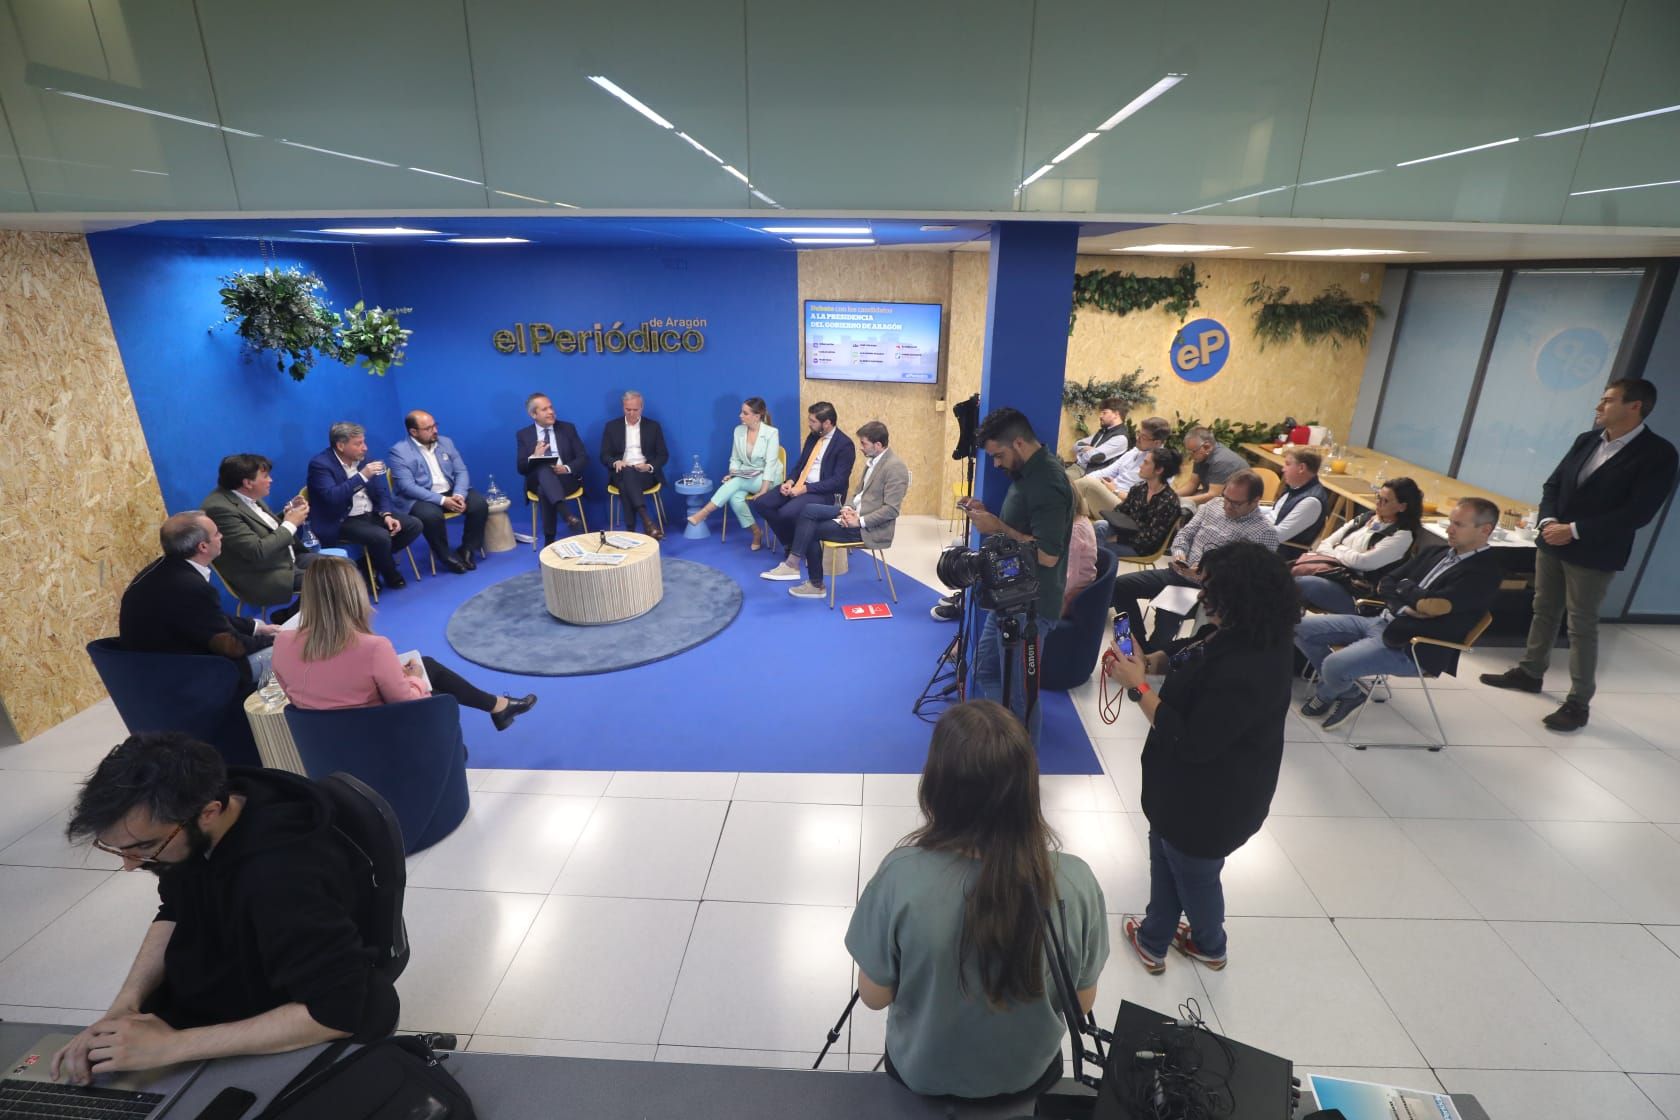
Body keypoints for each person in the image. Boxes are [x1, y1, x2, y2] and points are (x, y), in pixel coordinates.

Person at [51, 732, 397, 1084]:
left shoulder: (280, 880)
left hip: (280, 1020)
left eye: (143, 847)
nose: (129, 865)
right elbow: (175, 909)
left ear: (209, 813)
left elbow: (337, 1011)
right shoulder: (207, 803)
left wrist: (169, 1047)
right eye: (119, 850)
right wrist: (124, 1007)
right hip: (212, 993)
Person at [846, 700, 1108, 1100]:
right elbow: (1083, 1001)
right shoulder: (1075, 881)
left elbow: (873, 997)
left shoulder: (900, 876)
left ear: (935, 786)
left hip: (923, 1073)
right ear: (1027, 789)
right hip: (1029, 1076)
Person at [1101, 542, 1296, 975]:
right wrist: (1150, 661)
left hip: (1212, 804)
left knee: (1193, 876)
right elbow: (1196, 650)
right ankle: (1155, 937)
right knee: (1168, 860)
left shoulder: (1252, 668)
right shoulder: (1247, 633)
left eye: (1211, 591)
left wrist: (1139, 688)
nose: (1203, 598)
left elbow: (1190, 741)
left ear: (1239, 597)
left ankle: (1210, 944)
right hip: (1183, 794)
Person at [1481, 378, 1678, 732]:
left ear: (1635, 406)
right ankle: (1530, 672)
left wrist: (1574, 530)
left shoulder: (1659, 454)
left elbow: (1638, 513)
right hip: (1552, 540)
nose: (1598, 407)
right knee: (1543, 609)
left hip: (1594, 550)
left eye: (1607, 400)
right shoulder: (1587, 440)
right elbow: (1553, 485)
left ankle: (1578, 702)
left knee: (1580, 624)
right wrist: (1549, 520)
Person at [1297, 497, 1502, 731]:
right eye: (1450, 522)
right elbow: (1387, 582)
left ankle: (1334, 690)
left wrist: (1405, 588)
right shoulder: (1436, 552)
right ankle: (1347, 692)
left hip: (1413, 644)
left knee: (1334, 665)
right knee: (1295, 627)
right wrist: (1405, 603)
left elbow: (1434, 606)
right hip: (1383, 620)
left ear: (1485, 530)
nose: (1449, 529)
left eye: (1459, 525)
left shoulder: (1484, 573)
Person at [272, 557, 535, 731]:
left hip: (322, 739)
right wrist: (415, 679)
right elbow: (405, 701)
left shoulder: (282, 642)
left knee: (428, 665)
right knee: (426, 674)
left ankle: (498, 706)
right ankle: (497, 706)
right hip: (379, 735)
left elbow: (293, 694)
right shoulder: (373, 647)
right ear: (354, 594)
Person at [957, 408, 1073, 744]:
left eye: (998, 455)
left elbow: (1049, 555)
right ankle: (1004, 744)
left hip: (1032, 607)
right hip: (1012, 598)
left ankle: (1022, 769)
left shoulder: (1047, 482)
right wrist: (987, 514)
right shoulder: (1028, 474)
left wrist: (997, 528)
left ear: (1019, 443)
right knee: (987, 668)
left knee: (1022, 694)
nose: (995, 465)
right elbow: (1023, 528)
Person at [1111, 470, 1279, 652]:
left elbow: (1249, 580)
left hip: (1210, 591)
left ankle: (1153, 654)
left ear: (1255, 501)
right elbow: (1186, 533)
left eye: (1236, 503)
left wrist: (1206, 575)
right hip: (1179, 573)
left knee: (1167, 611)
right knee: (1119, 586)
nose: (1227, 506)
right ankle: (1133, 646)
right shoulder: (1214, 505)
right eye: (1226, 498)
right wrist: (1179, 553)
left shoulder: (1265, 533)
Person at [119, 512, 277, 684]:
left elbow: (205, 620)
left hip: (154, 671)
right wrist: (275, 639)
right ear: (203, 547)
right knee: (296, 651)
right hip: (189, 678)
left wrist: (256, 628)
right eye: (216, 534)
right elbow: (232, 647)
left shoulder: (161, 571)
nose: (221, 536)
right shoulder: (190, 587)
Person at [768, 421, 909, 598]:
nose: (861, 448)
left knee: (810, 530)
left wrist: (858, 521)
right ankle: (794, 566)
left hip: (869, 528)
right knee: (808, 510)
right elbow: (858, 492)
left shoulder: (895, 468)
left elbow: (891, 510)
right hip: (854, 514)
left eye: (864, 443)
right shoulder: (872, 462)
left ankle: (813, 583)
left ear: (878, 445)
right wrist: (848, 508)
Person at [306, 422, 422, 592]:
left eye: (364, 442)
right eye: (358, 444)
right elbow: (332, 497)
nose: (365, 448)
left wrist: (387, 514)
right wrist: (362, 476)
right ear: (340, 445)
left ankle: (369, 566)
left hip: (370, 512)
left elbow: (381, 491)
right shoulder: (320, 465)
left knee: (413, 525)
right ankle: (391, 574)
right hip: (341, 519)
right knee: (381, 537)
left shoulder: (363, 459)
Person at [201, 453, 315, 619]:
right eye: (266, 476)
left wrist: (288, 514)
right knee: (332, 580)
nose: (271, 480)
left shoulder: (243, 494)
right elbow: (257, 550)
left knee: (344, 567)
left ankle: (289, 616)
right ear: (248, 483)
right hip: (262, 573)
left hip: (285, 557)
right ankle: (310, 628)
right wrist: (291, 523)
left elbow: (261, 526)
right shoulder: (219, 508)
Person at [1293, 477, 1423, 614]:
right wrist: (1347, 553)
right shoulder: (1366, 518)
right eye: (1378, 497)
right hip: (1334, 575)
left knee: (1299, 583)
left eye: (1385, 501)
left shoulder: (1402, 536)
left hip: (1358, 592)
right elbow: (1324, 545)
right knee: (1284, 578)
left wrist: (1337, 547)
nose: (1378, 503)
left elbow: (1362, 562)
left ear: (1402, 507)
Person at [388, 410, 487, 574]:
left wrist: (459, 494)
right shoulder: (399, 452)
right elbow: (407, 487)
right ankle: (445, 555)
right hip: (420, 497)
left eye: (435, 425)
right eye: (428, 428)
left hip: (451, 491)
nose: (435, 431)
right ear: (413, 432)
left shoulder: (446, 442)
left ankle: (468, 548)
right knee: (431, 516)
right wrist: (442, 501)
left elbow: (461, 471)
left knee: (479, 505)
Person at [754, 401, 856, 556]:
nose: (809, 424)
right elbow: (801, 464)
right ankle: (791, 542)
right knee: (762, 503)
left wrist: (805, 489)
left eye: (813, 421)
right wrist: (789, 482)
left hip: (824, 494)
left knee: (786, 512)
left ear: (827, 423)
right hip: (801, 485)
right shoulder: (813, 437)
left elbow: (838, 481)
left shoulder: (845, 445)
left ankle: (796, 548)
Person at [686, 397, 784, 548]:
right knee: (735, 498)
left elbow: (771, 464)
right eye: (741, 412)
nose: (740, 415)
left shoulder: (771, 433)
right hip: (747, 476)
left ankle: (703, 513)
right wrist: (733, 472)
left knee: (736, 482)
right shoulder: (738, 431)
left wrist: (764, 490)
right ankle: (756, 532)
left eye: (745, 413)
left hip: (769, 479)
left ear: (757, 416)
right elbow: (735, 458)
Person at [516, 392, 588, 544]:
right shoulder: (524, 434)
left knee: (544, 489)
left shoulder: (567, 428)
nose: (551, 412)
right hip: (537, 480)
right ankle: (568, 515)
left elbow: (583, 457)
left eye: (551, 407)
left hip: (566, 479)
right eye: (544, 409)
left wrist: (566, 468)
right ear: (533, 414)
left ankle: (549, 540)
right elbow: (521, 468)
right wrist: (535, 456)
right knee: (543, 469)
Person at [600, 390, 670, 539]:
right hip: (620, 471)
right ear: (622, 408)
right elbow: (604, 455)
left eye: (635, 410)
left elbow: (663, 455)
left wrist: (649, 466)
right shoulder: (611, 427)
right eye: (628, 409)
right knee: (627, 473)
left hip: (645, 474)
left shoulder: (653, 426)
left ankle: (631, 531)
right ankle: (647, 522)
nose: (631, 413)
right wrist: (615, 462)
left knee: (627, 484)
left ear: (642, 408)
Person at [1072, 415, 1169, 520]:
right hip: (1109, 494)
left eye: (1143, 437)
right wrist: (1087, 478)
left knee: (1086, 486)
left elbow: (1148, 502)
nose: (1138, 438)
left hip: (1125, 507)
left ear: (1157, 443)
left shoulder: (1162, 465)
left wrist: (1116, 491)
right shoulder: (1134, 451)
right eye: (1138, 433)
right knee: (1077, 500)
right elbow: (1107, 471)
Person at [1099, 445, 1184, 559]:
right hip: (1126, 534)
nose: (1141, 466)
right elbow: (1120, 511)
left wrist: (1116, 539)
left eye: (1146, 463)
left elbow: (1150, 540)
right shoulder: (1139, 488)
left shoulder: (1168, 501)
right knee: (1100, 526)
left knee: (1097, 547)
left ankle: (1089, 569)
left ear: (1159, 470)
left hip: (1141, 548)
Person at [1266, 447, 1331, 552]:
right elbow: (1275, 512)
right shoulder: (1296, 487)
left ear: (1301, 468)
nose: (1283, 469)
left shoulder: (1311, 502)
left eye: (1287, 464)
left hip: (1277, 555)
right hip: (1266, 542)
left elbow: (1276, 536)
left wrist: (1248, 525)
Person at [1177, 427, 1248, 505]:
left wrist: (1179, 501)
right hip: (1214, 495)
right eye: (1189, 452)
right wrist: (1171, 496)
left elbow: (1213, 496)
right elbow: (1192, 484)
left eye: (1192, 452)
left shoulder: (1221, 461)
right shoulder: (1200, 455)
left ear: (1207, 446)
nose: (1190, 456)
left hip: (1236, 503)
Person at [1066, 397, 1130, 479]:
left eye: (1104, 413)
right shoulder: (1103, 431)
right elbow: (1076, 445)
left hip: (1089, 475)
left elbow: (1093, 457)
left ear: (1116, 415)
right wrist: (1090, 449)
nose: (1100, 416)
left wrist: (1089, 451)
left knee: (1056, 479)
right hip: (1079, 468)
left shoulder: (1120, 438)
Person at [1060, 487, 1100, 617]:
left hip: (1073, 594)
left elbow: (1070, 579)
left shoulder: (1075, 531)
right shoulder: (1081, 519)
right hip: (1079, 583)